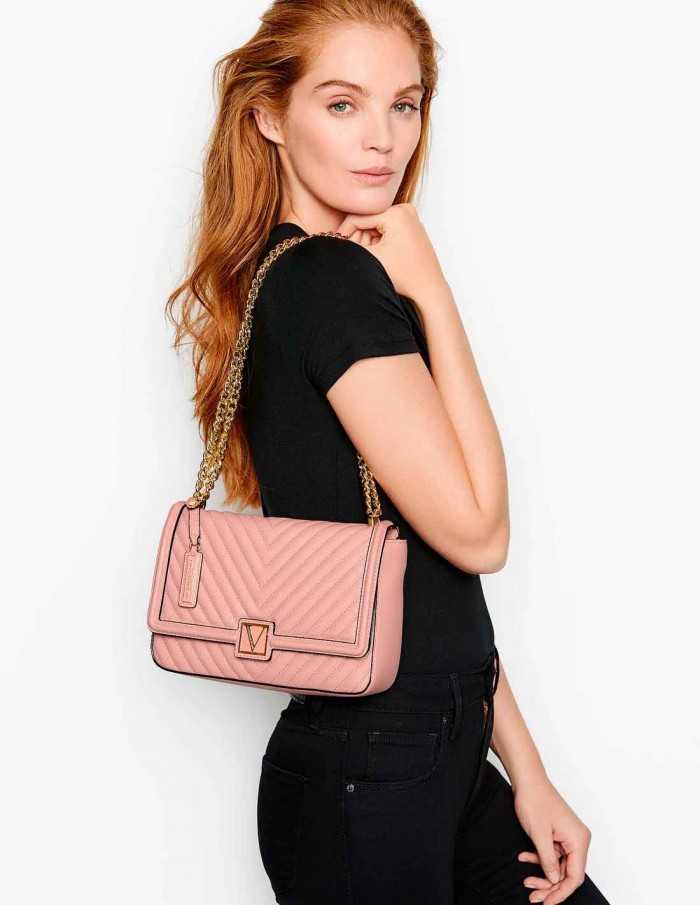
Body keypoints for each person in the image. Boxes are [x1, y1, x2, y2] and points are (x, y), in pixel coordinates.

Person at [165, 2, 612, 903]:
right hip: (371, 774)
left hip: (423, 757)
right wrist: (432, 290)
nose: (383, 139)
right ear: (269, 115)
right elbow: (480, 534)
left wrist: (524, 771)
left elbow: (425, 584)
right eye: (342, 104)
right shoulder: (329, 279)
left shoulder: (306, 274)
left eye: (403, 104)